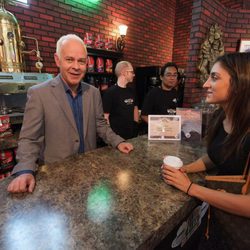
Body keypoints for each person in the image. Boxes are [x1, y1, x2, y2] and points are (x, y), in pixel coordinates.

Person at [7, 34, 133, 193]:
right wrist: (25, 170)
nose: (76, 66)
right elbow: (29, 138)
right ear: (57, 60)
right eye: (69, 59)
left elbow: (100, 125)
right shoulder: (39, 94)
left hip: (89, 173)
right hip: (55, 178)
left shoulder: (93, 93)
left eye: (81, 61)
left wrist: (118, 142)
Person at [162, 52, 250, 217]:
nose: (205, 84)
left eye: (214, 78)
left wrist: (190, 187)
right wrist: (185, 169)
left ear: (240, 85)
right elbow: (217, 156)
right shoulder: (220, 116)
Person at [102, 61, 139, 139]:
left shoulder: (131, 91)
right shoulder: (110, 92)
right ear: (124, 73)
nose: (134, 74)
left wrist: (136, 125)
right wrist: (111, 137)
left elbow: (135, 108)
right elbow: (106, 117)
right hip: (116, 137)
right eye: (131, 72)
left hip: (131, 135)